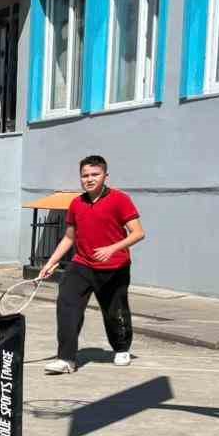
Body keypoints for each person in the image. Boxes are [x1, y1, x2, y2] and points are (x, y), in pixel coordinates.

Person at [40, 154, 144, 374]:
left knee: (114, 311)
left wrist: (112, 248)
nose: (89, 179)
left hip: (115, 267)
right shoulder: (76, 203)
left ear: (105, 175)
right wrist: (50, 263)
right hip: (82, 264)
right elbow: (69, 238)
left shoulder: (120, 199)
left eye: (95, 174)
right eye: (85, 175)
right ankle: (66, 359)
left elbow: (138, 233)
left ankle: (121, 348)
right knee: (67, 305)